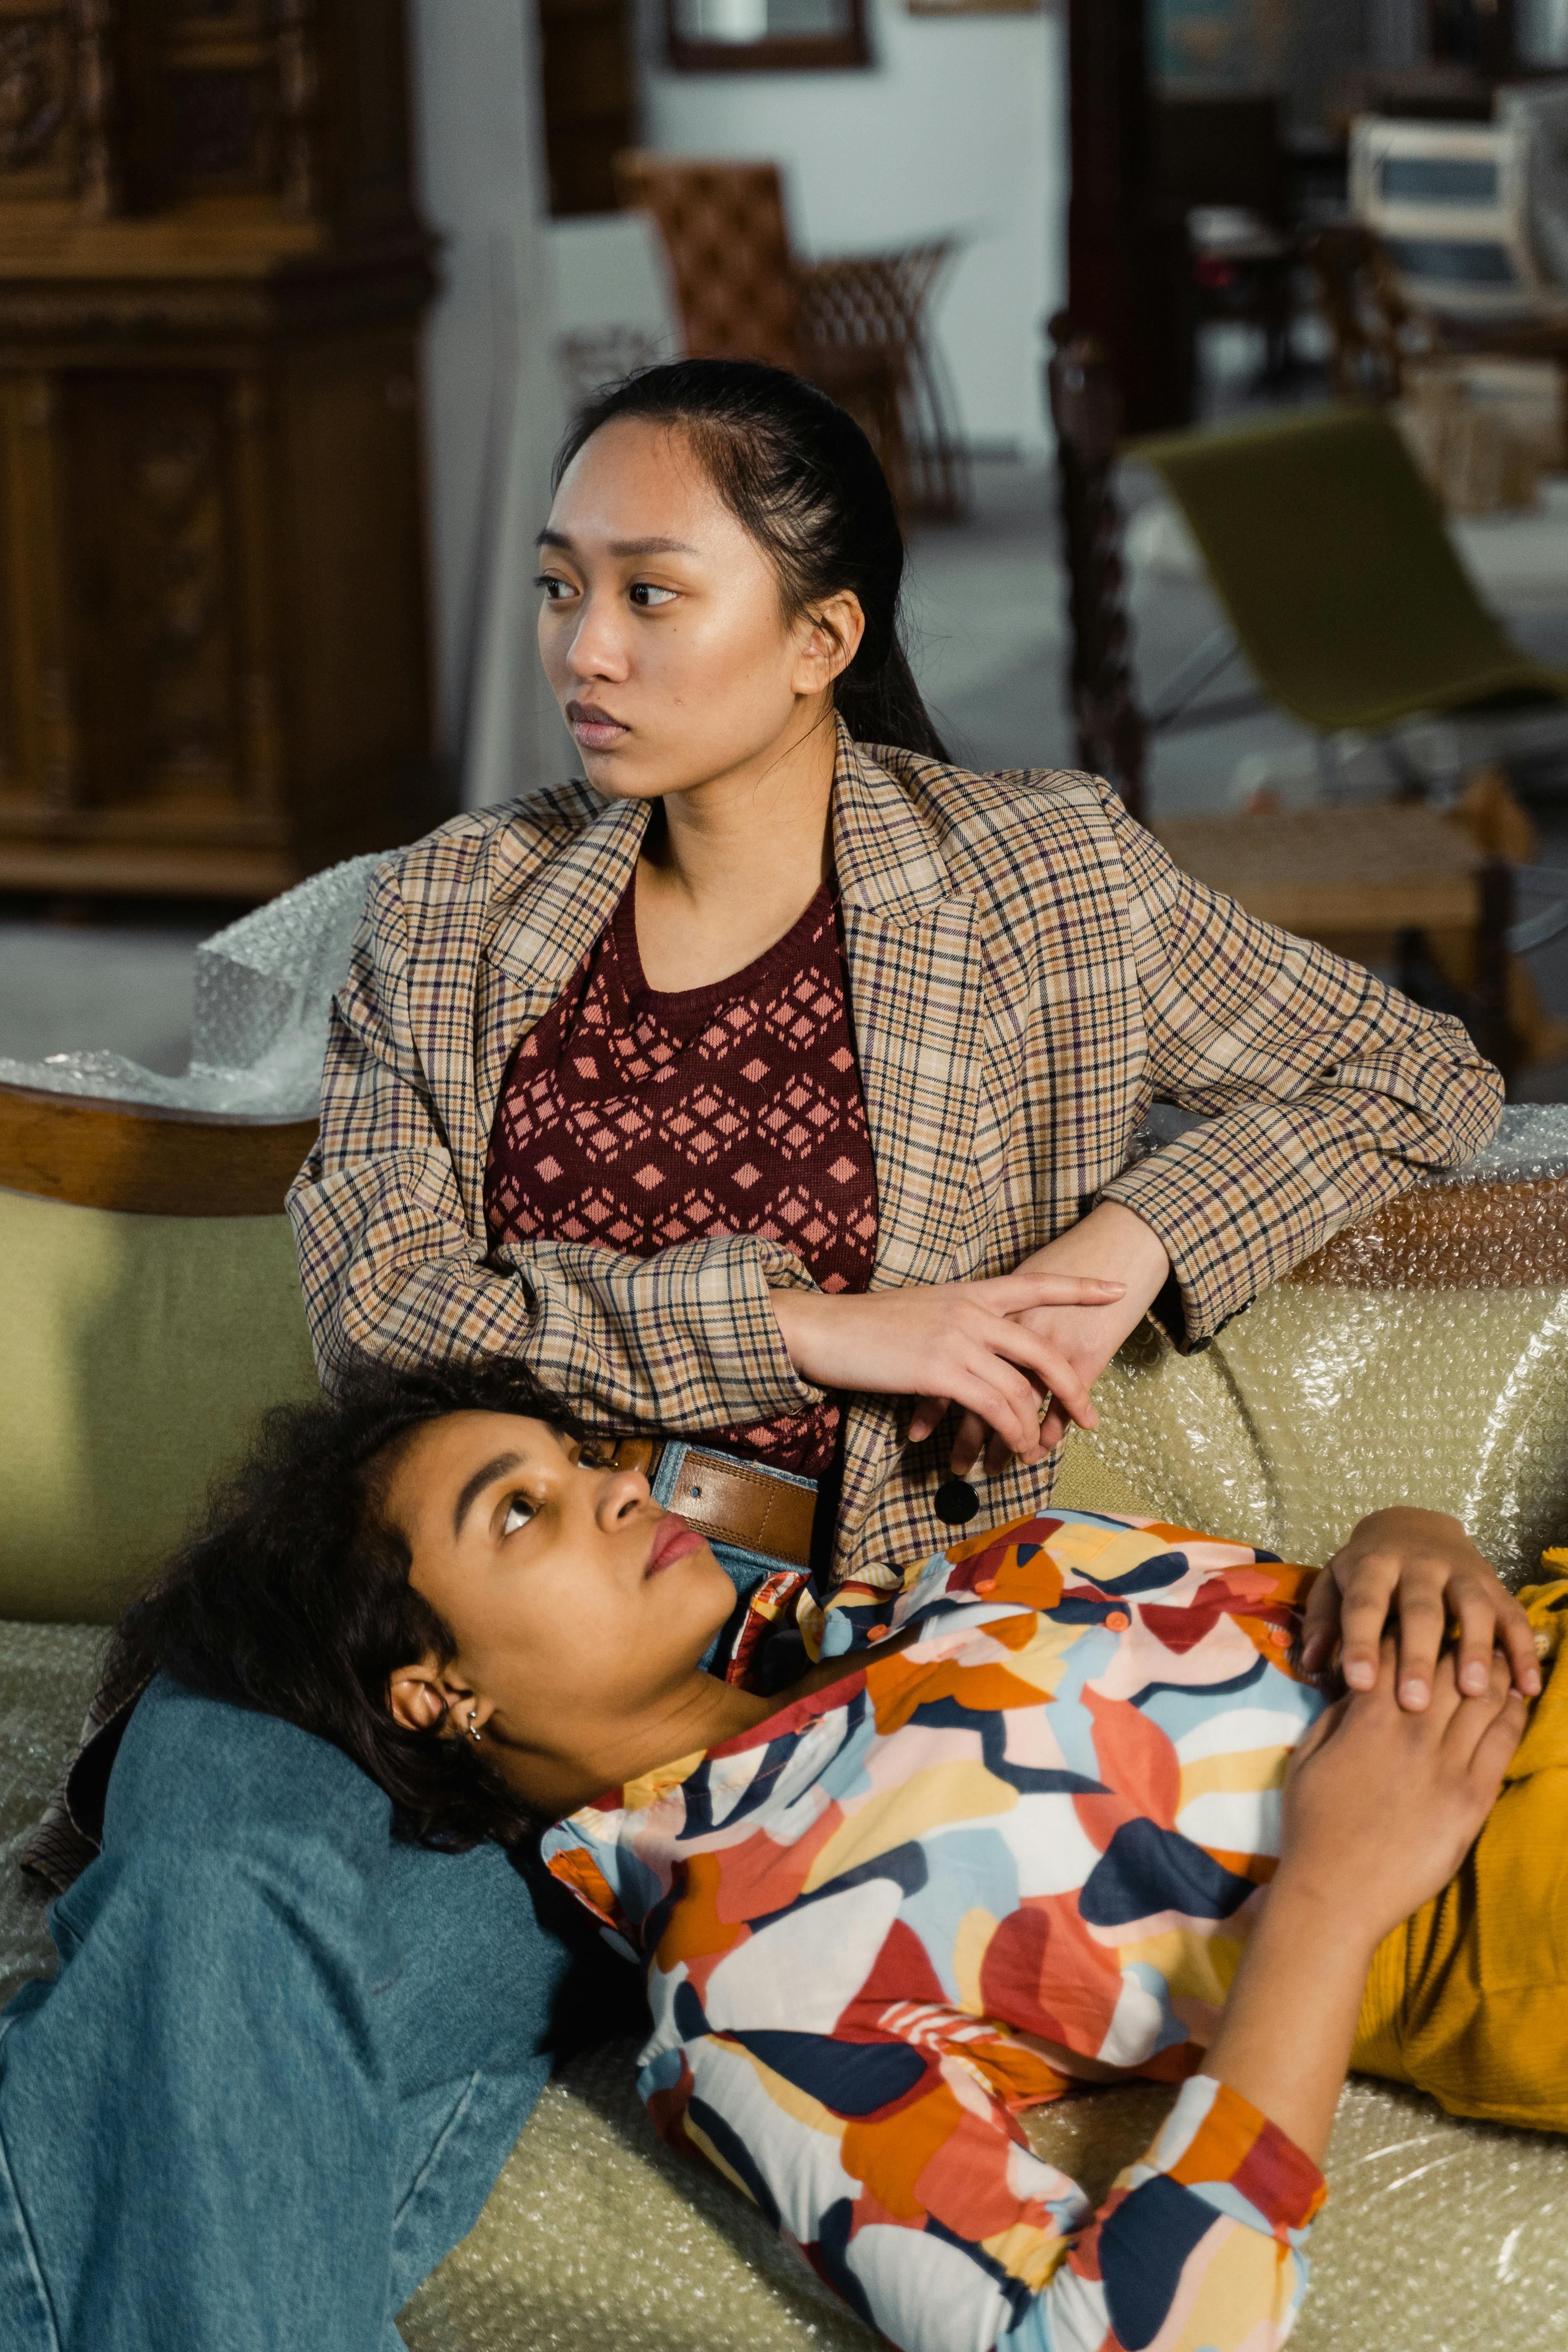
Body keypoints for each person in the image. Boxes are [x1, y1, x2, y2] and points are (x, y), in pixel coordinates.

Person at [6, 359, 1505, 2347]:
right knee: (205, 1880)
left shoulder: (1033, 878)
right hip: (376, 1628)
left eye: (648, 592)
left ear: (820, 638)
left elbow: (1413, 1068)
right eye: (559, 589)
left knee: (161, 2058)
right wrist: (807, 1318)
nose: (581, 649)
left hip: (726, 1735)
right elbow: (382, 1308)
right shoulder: (454, 907)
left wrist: (1126, 1240)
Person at [19, 1361, 1552, 2352]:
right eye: (522, 1512)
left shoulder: (974, 1571)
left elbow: (1330, 1590)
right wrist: (1330, 1908)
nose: (626, 1483)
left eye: (581, 1456)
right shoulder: (752, 1978)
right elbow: (1108, 2341)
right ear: (438, 1691)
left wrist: (1407, 1534)